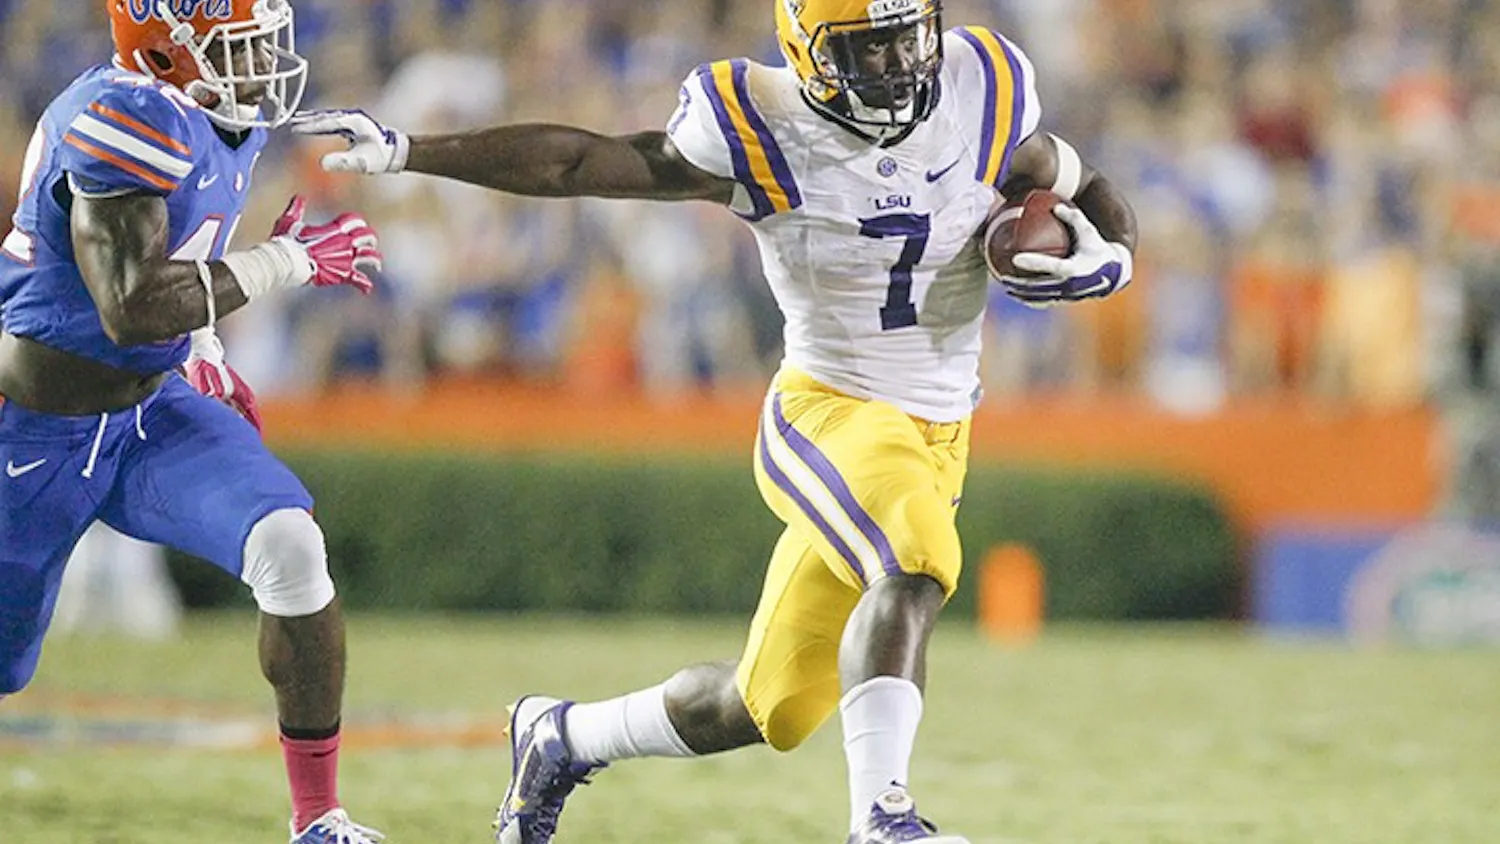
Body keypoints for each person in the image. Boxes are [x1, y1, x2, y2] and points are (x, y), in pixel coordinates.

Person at [299, 1, 1137, 842]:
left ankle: (560, 737)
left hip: (941, 434)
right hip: (831, 410)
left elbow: (1083, 183)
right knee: (915, 557)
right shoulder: (762, 124)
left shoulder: (979, 86)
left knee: (767, 706)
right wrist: (408, 150)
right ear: (810, 56)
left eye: (906, 35)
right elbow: (577, 162)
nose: (898, 63)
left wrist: (1112, 258)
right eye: (869, 47)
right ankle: (883, 819)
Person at [0, 2, 386, 842]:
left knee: (289, 544)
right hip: (34, 427)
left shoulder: (210, 117)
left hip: (148, 411)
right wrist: (289, 259)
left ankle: (319, 819)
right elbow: (131, 305)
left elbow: (180, 258)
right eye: (240, 47)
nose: (263, 63)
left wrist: (201, 346)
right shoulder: (125, 115)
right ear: (165, 52)